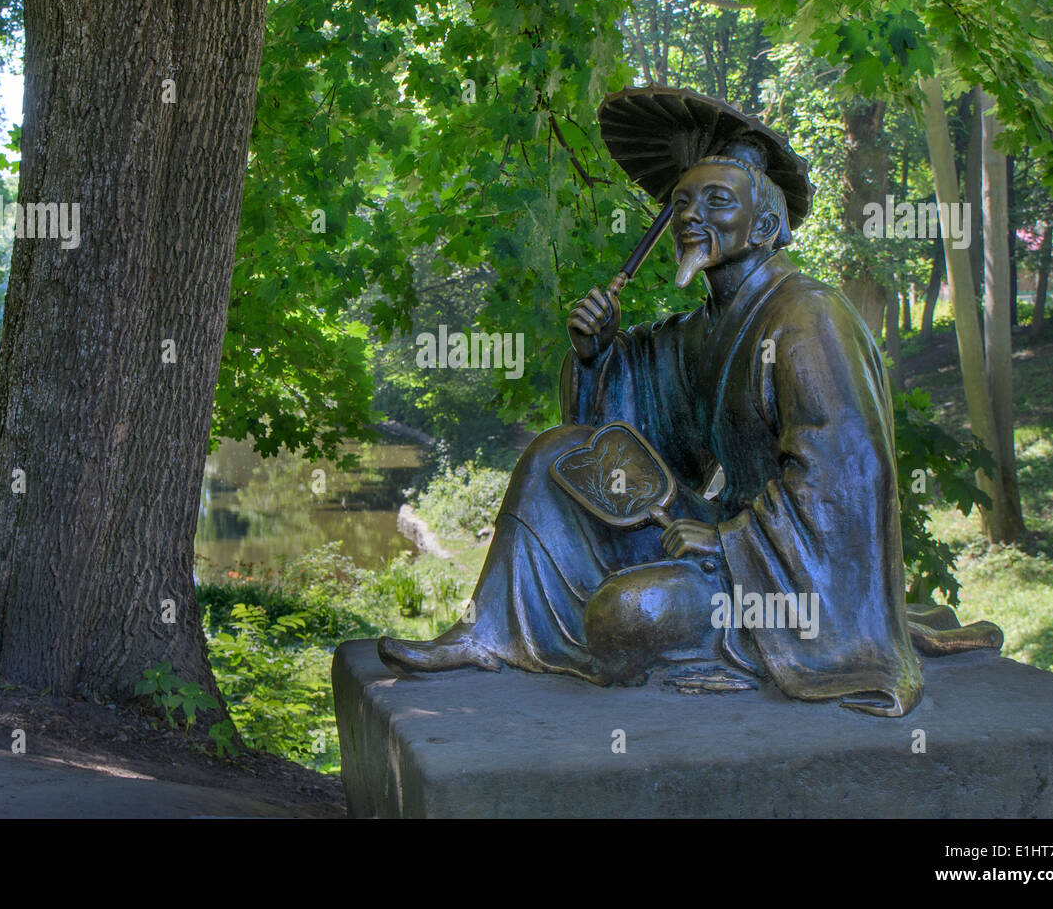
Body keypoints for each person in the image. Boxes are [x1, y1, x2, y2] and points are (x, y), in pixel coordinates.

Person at [378, 99, 1000, 717]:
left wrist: (729, 541)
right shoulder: (701, 330)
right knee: (555, 453)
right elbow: (632, 427)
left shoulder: (809, 319)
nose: (690, 217)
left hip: (783, 575)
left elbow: (842, 482)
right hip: (713, 528)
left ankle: (739, 655)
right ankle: (489, 631)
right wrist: (598, 356)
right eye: (681, 203)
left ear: (764, 225)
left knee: (625, 613)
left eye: (717, 201)